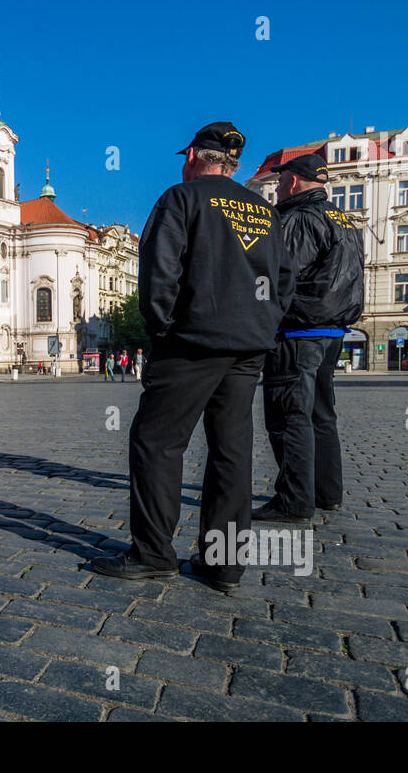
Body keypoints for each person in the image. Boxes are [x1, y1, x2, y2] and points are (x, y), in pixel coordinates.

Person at [91, 121, 294, 592]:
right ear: (232, 163)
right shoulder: (264, 211)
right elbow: (285, 281)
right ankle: (223, 564)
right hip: (248, 347)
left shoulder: (180, 199)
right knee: (231, 451)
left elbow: (158, 274)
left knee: (158, 442)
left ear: (193, 158)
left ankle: (153, 553)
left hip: (192, 342)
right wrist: (262, 326)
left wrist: (163, 330)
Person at [254, 153, 365, 525]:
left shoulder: (298, 218)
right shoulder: (343, 218)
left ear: (295, 181)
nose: (278, 186)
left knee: (289, 416)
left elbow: (280, 275)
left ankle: (293, 500)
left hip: (300, 327)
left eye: (280, 180)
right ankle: (327, 493)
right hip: (332, 329)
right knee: (321, 414)